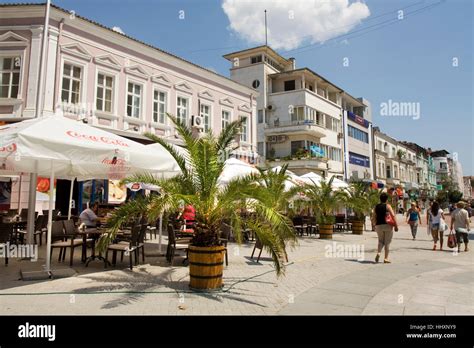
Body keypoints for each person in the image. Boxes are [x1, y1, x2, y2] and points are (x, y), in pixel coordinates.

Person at [372, 192, 398, 264]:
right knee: (387, 242)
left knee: (380, 241)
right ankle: (386, 258)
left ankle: (379, 253)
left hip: (378, 225)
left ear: (380, 199)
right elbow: (393, 215)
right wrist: (396, 225)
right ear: (386, 199)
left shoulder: (376, 206)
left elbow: (373, 216)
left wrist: (374, 225)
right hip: (387, 225)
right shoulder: (388, 206)